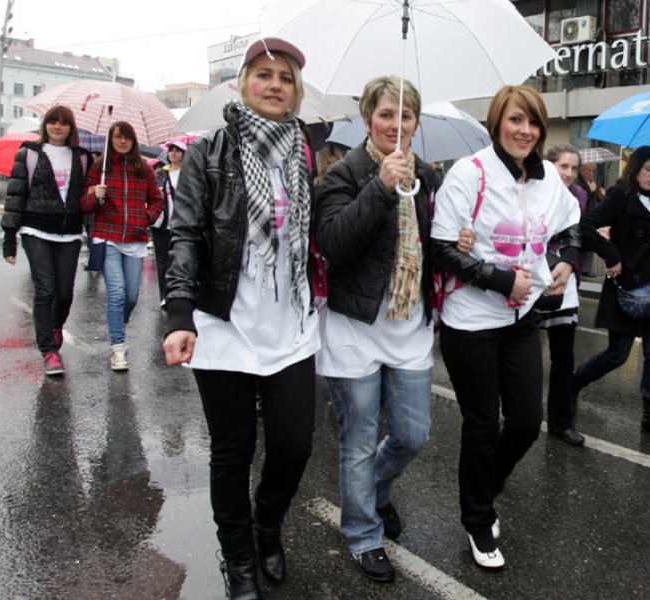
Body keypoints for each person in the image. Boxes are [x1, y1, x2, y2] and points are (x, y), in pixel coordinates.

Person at [162, 37, 319, 600]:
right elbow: (184, 235)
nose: (275, 85)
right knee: (232, 452)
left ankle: (266, 526)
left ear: (295, 91)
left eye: (285, 78)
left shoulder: (303, 153)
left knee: (294, 446)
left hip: (290, 325)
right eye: (264, 74)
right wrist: (179, 314)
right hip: (225, 325)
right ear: (243, 83)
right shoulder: (209, 153)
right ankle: (239, 559)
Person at [431, 85, 580, 570]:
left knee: (525, 424)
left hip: (521, 318)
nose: (525, 130)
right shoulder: (469, 173)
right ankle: (477, 520)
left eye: (533, 122)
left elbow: (572, 225)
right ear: (497, 122)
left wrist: (566, 259)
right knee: (481, 425)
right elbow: (441, 247)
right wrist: (500, 280)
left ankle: (483, 490)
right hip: (470, 321)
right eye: (516, 120)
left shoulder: (547, 179)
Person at [315, 75, 441, 584]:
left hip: (409, 325)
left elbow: (436, 245)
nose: (395, 124)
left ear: (415, 122)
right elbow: (333, 243)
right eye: (386, 114)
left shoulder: (427, 176)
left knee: (412, 435)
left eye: (404, 115)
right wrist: (380, 187)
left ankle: (373, 491)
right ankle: (363, 534)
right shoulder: (344, 174)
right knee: (360, 439)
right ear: (368, 119)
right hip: (354, 326)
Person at [573, 145, 650, 441]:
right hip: (629, 283)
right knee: (618, 354)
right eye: (648, 169)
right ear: (635, 168)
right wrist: (612, 256)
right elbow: (587, 227)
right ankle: (573, 383)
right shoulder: (619, 197)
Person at [2, 106, 91, 376]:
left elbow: (86, 201)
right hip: (36, 230)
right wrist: (9, 238)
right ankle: (49, 351)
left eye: (63, 123)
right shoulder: (29, 154)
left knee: (65, 294)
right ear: (45, 125)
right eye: (53, 122)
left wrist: (94, 201)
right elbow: (15, 195)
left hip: (70, 232)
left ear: (70, 128)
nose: (57, 127)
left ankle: (55, 326)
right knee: (45, 290)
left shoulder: (83, 157)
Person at [82, 121, 163, 371]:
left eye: (127, 137)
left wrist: (146, 217)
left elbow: (157, 199)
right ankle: (118, 348)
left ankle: (118, 319)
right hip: (107, 236)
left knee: (130, 296)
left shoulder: (144, 169)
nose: (123, 141)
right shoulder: (99, 168)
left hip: (135, 239)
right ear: (111, 139)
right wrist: (95, 195)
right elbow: (84, 205)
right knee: (116, 293)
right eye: (118, 137)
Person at [538, 143, 588, 445]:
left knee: (564, 358)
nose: (569, 173)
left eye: (574, 168)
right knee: (523, 355)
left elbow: (581, 235)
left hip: (566, 280)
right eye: (563, 166)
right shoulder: (532, 190)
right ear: (549, 166)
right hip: (531, 279)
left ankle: (561, 422)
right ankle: (518, 412)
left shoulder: (579, 196)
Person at [151, 140, 186, 307]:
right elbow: (151, 195)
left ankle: (179, 294)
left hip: (183, 224)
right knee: (162, 261)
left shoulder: (190, 173)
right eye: (171, 150)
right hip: (162, 224)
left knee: (181, 260)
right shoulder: (160, 173)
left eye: (177, 150)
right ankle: (164, 296)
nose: (173, 153)